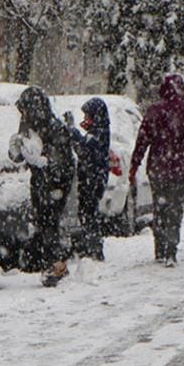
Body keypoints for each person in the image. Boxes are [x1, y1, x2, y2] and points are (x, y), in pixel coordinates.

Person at [129, 74, 184, 267]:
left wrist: (135, 164)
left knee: (160, 207)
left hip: (158, 167)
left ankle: (160, 248)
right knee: (175, 209)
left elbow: (142, 140)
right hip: (181, 168)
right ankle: (171, 248)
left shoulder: (155, 111)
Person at [9, 86, 75, 287]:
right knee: (43, 221)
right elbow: (20, 155)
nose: (24, 116)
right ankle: (51, 263)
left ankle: (54, 265)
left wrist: (44, 164)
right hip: (40, 181)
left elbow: (62, 163)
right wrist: (17, 150)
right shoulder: (30, 127)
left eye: (26, 111)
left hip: (55, 184)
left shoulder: (55, 129)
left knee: (49, 222)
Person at [64, 98, 110, 262]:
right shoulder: (96, 131)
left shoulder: (99, 133)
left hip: (94, 178)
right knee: (86, 212)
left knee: (89, 212)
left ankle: (94, 248)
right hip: (91, 177)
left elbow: (85, 147)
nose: (85, 120)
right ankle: (89, 245)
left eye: (87, 116)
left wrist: (72, 130)